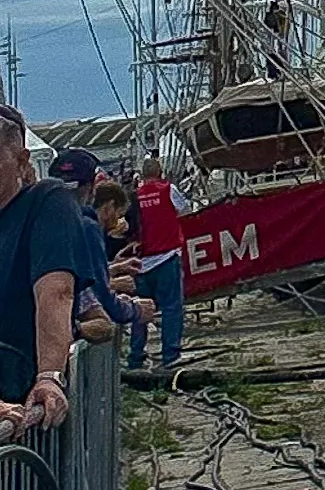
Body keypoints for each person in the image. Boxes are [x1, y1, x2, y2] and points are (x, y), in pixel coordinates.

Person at [0, 106, 79, 435]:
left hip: (20, 388)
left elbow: (56, 290)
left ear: (21, 160)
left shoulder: (46, 201)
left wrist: (49, 376)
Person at [49, 151, 136, 348]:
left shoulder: (39, 223)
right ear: (92, 187)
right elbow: (95, 292)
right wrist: (134, 309)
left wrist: (111, 270)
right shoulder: (87, 226)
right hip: (57, 348)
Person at [127, 155, 194, 377]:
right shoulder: (168, 190)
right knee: (172, 307)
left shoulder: (134, 196)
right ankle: (170, 355)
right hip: (166, 256)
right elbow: (185, 210)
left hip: (141, 261)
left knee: (139, 310)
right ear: (160, 171)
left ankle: (136, 356)